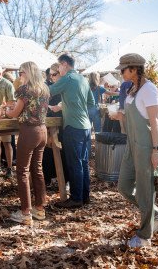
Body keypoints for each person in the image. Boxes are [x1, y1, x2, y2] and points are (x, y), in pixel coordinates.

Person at [116, 53, 158, 248]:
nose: (121, 72)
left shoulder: (149, 89)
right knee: (123, 186)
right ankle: (155, 213)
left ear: (134, 69)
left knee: (146, 192)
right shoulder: (132, 89)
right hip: (132, 145)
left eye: (123, 69)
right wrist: (119, 116)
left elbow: (155, 122)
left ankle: (145, 236)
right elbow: (135, 115)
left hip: (147, 146)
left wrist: (156, 150)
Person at [5, 61, 49, 225]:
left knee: (22, 171)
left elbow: (15, 113)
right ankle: (39, 209)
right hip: (42, 130)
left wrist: (6, 111)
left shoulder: (24, 89)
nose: (19, 75)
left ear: (27, 72)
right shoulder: (44, 88)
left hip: (29, 131)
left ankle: (25, 212)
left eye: (20, 72)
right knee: (37, 169)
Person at [49, 54, 94, 208]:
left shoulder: (66, 79)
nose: (58, 69)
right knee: (83, 163)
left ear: (64, 64)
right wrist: (66, 104)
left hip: (73, 127)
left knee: (75, 164)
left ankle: (76, 198)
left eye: (59, 66)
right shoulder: (83, 79)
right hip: (86, 126)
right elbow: (90, 102)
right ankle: (84, 196)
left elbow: (47, 92)